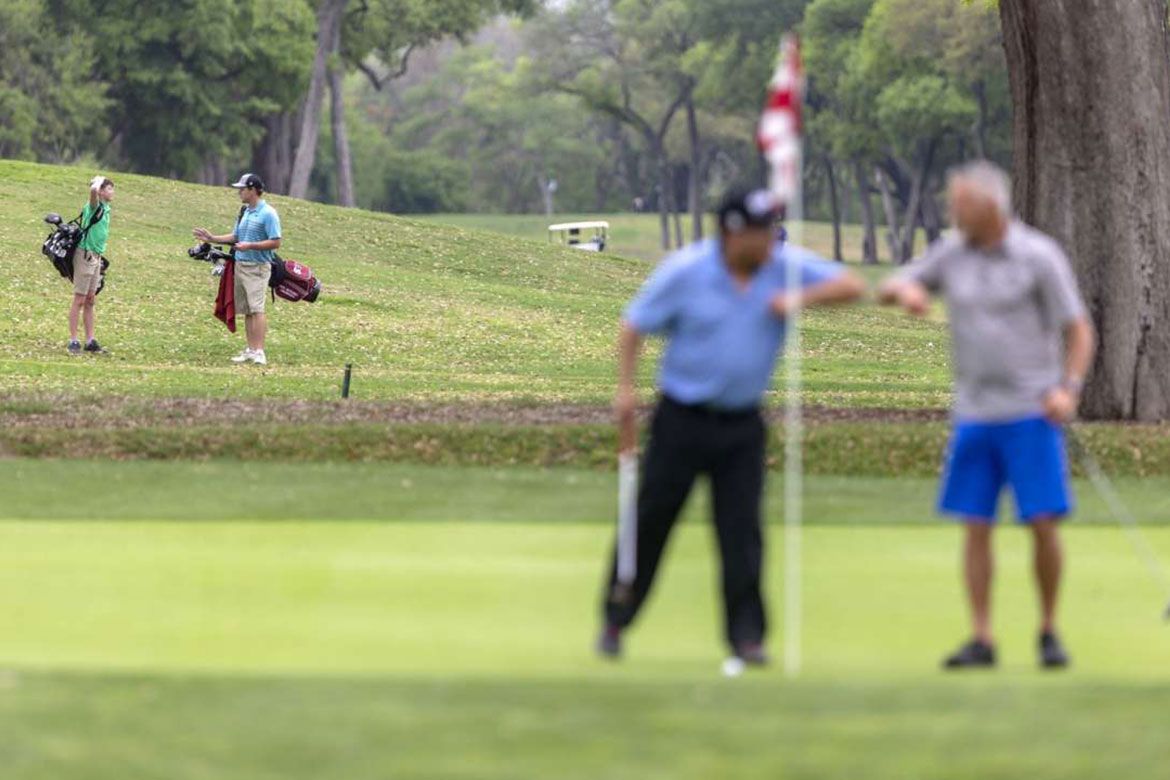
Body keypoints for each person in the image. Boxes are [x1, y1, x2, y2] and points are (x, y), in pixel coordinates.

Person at [597, 187, 865, 665]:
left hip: (741, 425)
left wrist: (794, 300)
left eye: (770, 232)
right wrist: (624, 390)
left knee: (741, 530)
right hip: (681, 418)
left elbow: (851, 286)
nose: (768, 243)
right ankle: (617, 618)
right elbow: (633, 324)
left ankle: (747, 636)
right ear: (731, 233)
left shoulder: (780, 267)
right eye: (760, 233)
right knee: (652, 518)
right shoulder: (686, 271)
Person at [878, 160, 1096, 670]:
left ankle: (1048, 630)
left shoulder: (1038, 256)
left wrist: (1070, 388)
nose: (953, 214)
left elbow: (1078, 329)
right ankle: (982, 638)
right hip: (974, 414)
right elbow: (891, 285)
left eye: (961, 206)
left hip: (1031, 412)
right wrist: (907, 291)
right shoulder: (951, 253)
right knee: (975, 526)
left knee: (1042, 523)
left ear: (990, 207)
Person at [193, 173, 282, 365]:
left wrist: (250, 246)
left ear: (253, 190)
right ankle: (251, 349)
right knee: (247, 309)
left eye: (242, 189)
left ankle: (259, 351)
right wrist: (212, 238)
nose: (239, 192)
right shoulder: (245, 211)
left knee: (257, 308)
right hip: (241, 265)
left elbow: (276, 242)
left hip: (258, 267)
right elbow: (236, 236)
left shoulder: (268, 213)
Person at [68, 176, 114, 355]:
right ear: (101, 191)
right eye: (109, 188)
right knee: (79, 299)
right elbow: (93, 192)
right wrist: (98, 181)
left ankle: (90, 340)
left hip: (96, 258)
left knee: (90, 300)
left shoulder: (106, 208)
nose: (112, 192)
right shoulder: (93, 205)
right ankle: (73, 340)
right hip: (84, 256)